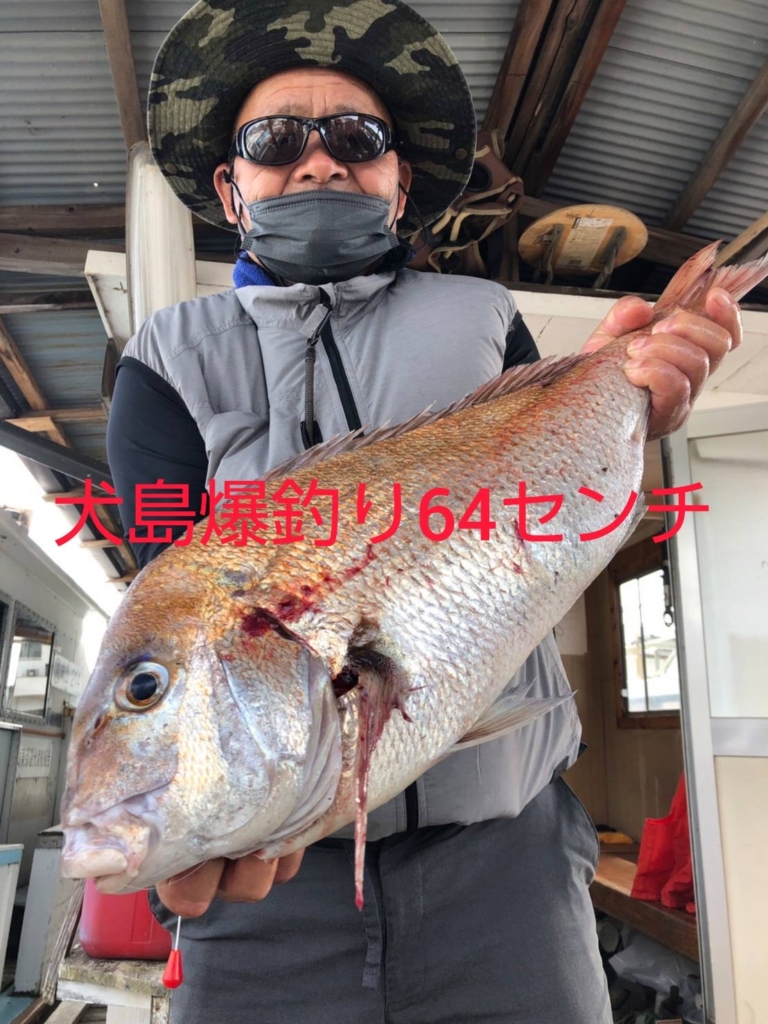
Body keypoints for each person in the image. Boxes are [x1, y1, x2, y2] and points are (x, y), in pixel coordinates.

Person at [107, 2, 741, 1021]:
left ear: (399, 183)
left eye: (356, 138)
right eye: (277, 141)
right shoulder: (166, 356)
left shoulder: (483, 315)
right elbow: (176, 605)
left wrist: (634, 407)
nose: (319, 161)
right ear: (231, 188)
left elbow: (552, 519)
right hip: (264, 883)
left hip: (506, 865)